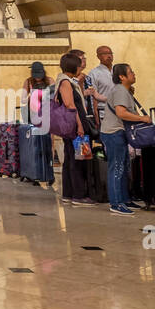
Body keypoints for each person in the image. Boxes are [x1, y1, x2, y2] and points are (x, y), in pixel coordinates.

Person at [101, 63, 153, 215]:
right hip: (113, 133)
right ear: (122, 77)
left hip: (118, 133)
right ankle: (116, 203)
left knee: (123, 167)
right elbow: (121, 113)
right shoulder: (120, 91)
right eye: (130, 72)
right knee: (116, 168)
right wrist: (142, 118)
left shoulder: (124, 91)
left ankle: (124, 199)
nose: (134, 74)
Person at [54, 52, 95, 206]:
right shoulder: (65, 82)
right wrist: (79, 125)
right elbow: (70, 105)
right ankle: (79, 195)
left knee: (71, 157)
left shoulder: (67, 81)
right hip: (74, 126)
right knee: (79, 159)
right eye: (79, 65)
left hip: (71, 126)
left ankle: (69, 193)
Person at [88, 45, 115, 128]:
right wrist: (96, 116)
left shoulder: (118, 70)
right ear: (98, 56)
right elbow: (93, 96)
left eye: (110, 53)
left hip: (122, 111)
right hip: (104, 113)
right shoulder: (94, 73)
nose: (109, 56)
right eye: (105, 53)